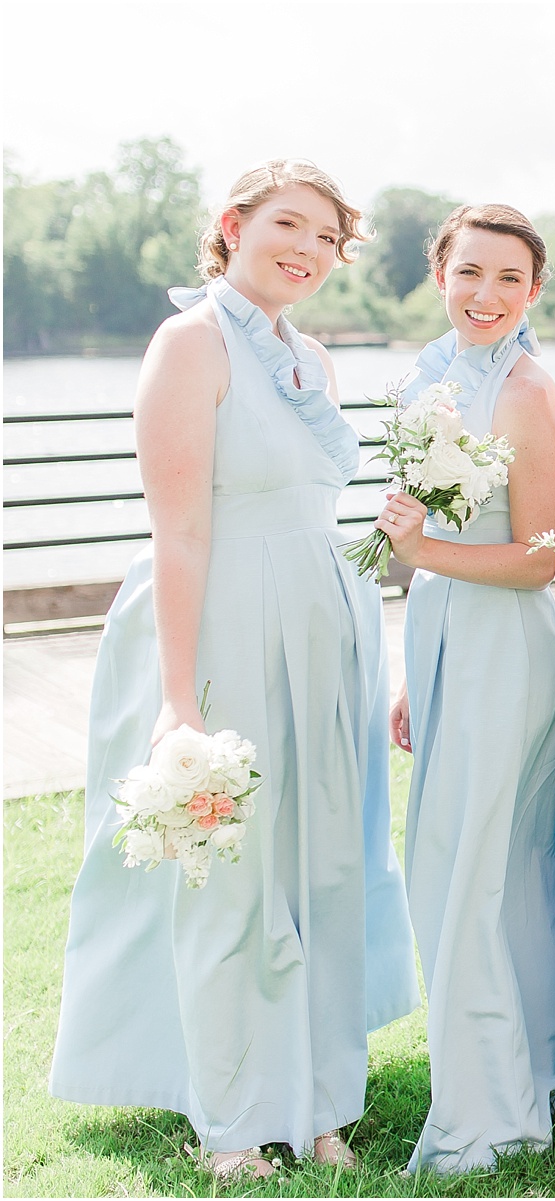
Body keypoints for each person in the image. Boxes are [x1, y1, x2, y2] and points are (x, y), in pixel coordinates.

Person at [49, 159, 415, 1181]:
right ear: (233, 225)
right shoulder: (189, 343)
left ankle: (323, 1097)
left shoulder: (315, 359)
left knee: (325, 857)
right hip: (220, 624)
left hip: (321, 618)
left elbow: (311, 501)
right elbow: (180, 532)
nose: (308, 249)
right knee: (234, 872)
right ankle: (231, 1117)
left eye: (328, 238)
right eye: (288, 225)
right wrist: (177, 700)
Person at [376, 204, 555, 1172]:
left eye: (508, 279)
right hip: (451, 634)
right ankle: (523, 1066)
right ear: (440, 275)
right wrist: (416, 669)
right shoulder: (434, 376)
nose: (486, 295)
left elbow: (541, 558)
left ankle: (492, 1112)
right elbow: (436, 550)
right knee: (473, 864)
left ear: (535, 293)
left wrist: (423, 552)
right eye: (469, 273)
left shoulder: (527, 391)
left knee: (478, 870)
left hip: (508, 643)